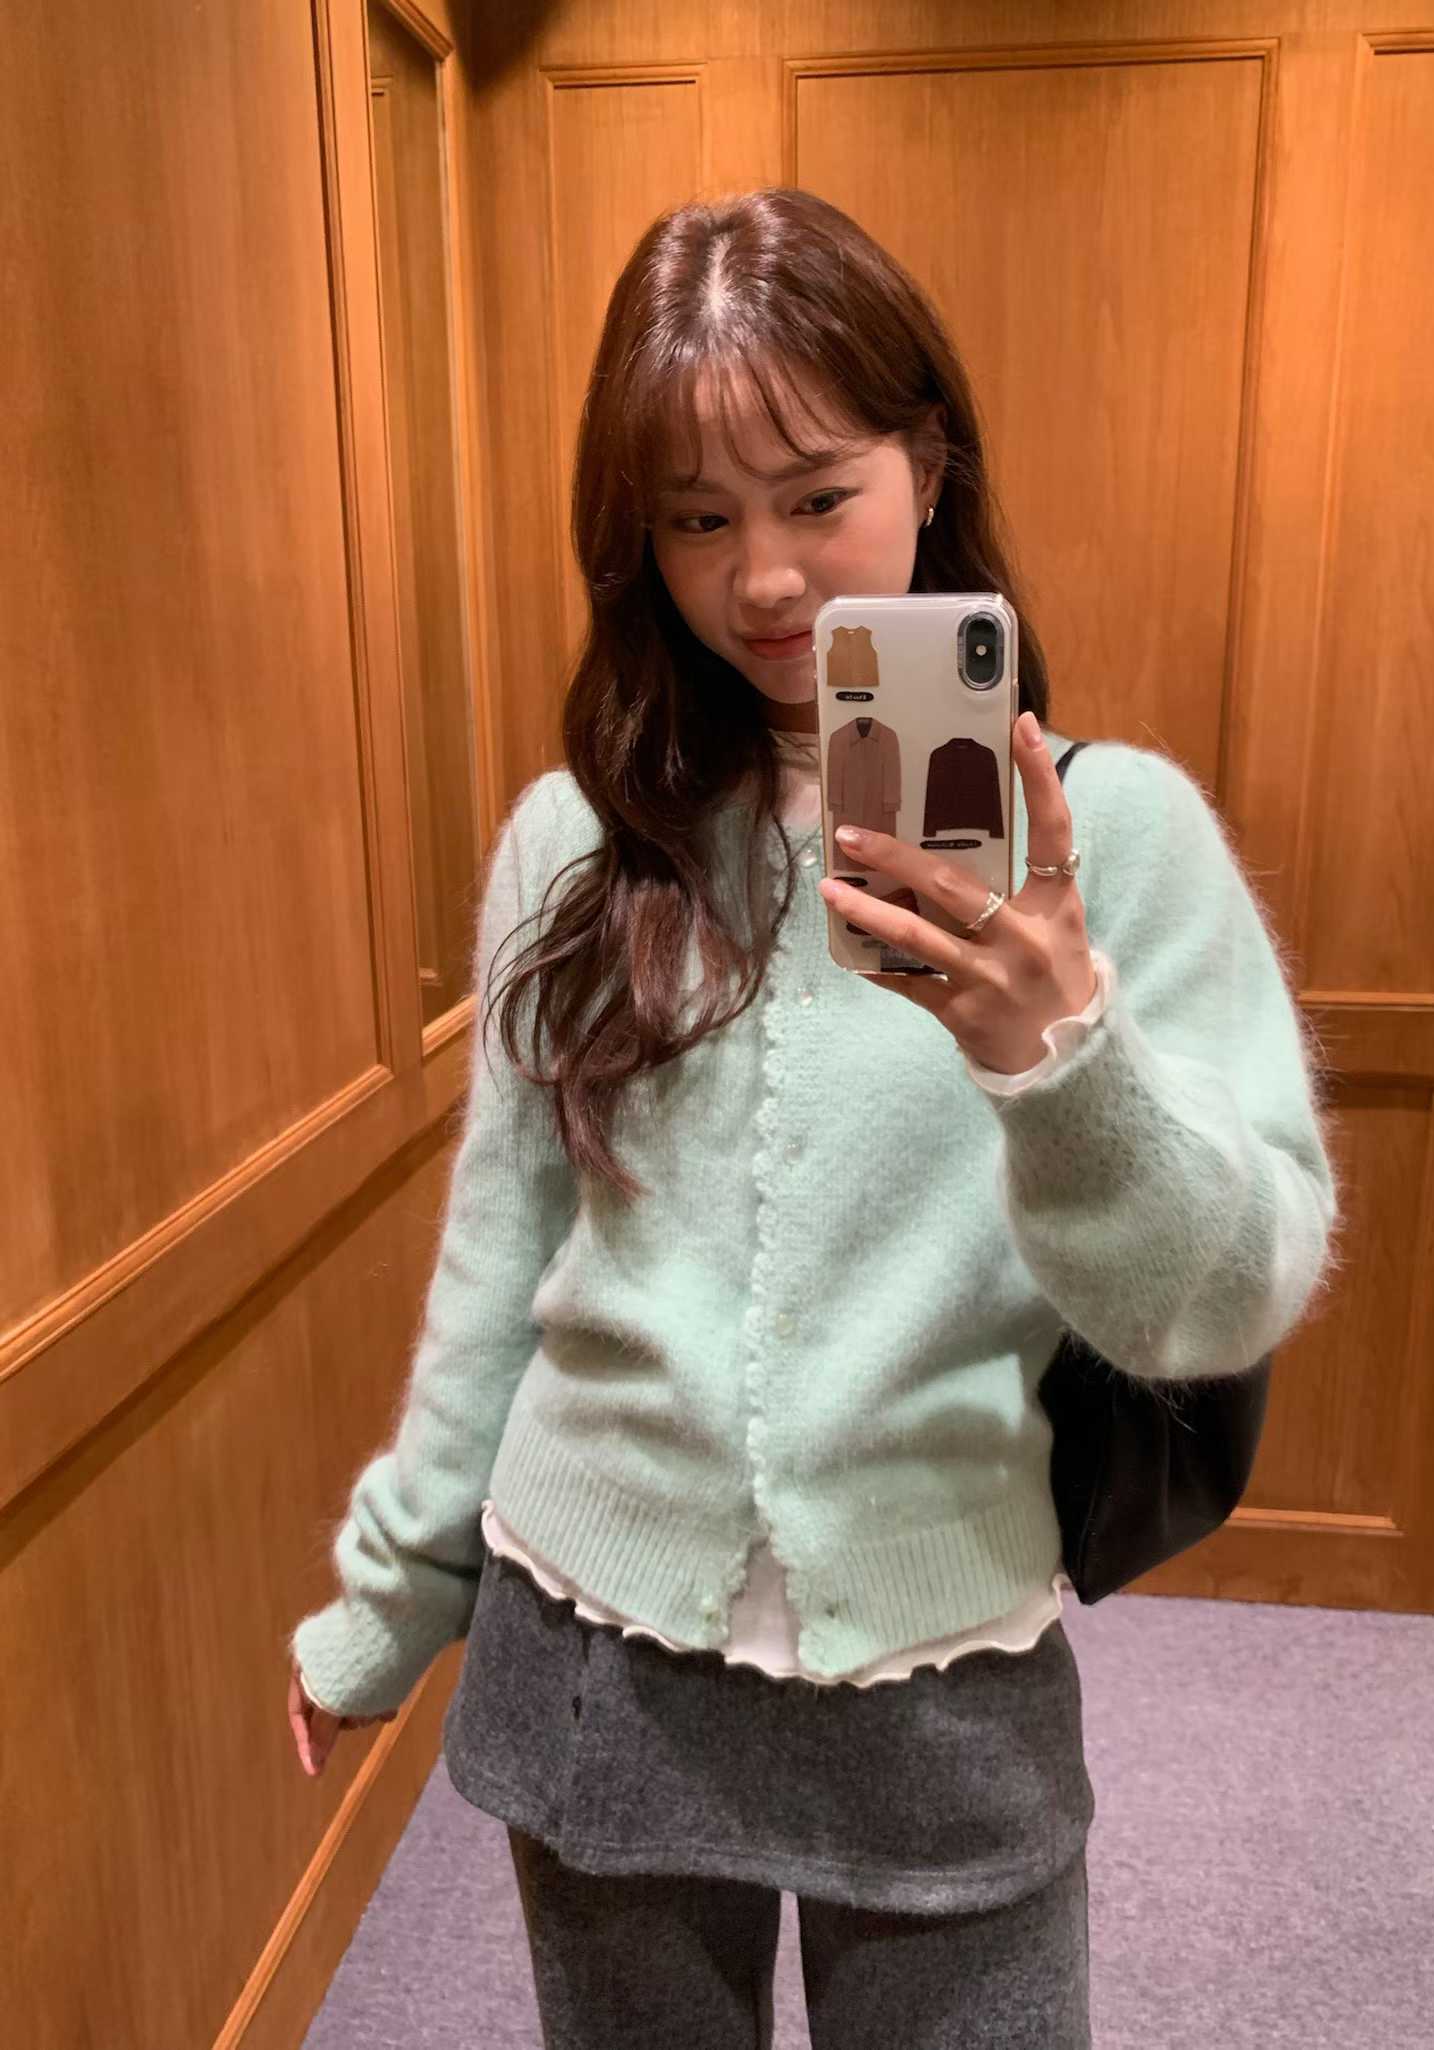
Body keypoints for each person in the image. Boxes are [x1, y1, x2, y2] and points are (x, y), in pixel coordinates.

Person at [286, 186, 1341, 2047]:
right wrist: (393, 1588)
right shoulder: (577, 843)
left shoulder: (1115, 841)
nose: (763, 578)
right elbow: (500, 1263)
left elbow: (1226, 1293)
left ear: (924, 463)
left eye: (813, 494)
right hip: (595, 1647)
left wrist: (1062, 1062)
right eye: (697, 519)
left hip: (938, 1668)